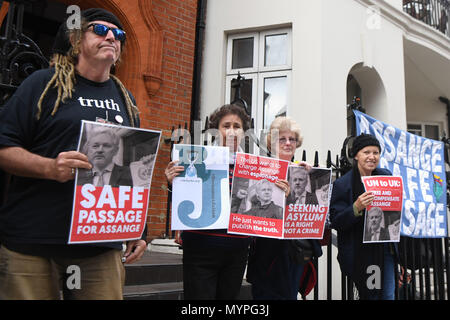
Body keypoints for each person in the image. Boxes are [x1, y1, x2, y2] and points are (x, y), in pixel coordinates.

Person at [0, 8, 146, 300]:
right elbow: (4, 147)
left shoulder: (126, 100)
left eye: (118, 34)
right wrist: (50, 168)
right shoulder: (43, 84)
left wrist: (138, 229)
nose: (110, 37)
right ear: (76, 40)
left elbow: (132, 171)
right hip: (34, 241)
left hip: (98, 247)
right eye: (99, 30)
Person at [165, 103, 252, 300]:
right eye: (226, 125)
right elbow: (182, 198)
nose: (231, 131)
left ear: (244, 132)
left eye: (237, 126)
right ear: (215, 130)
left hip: (237, 251)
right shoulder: (195, 159)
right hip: (201, 248)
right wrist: (173, 182)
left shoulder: (252, 166)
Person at [246, 116, 323, 300]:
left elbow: (315, 215)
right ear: (272, 142)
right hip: (267, 250)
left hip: (294, 252)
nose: (288, 143)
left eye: (292, 139)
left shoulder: (305, 172)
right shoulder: (260, 170)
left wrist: (314, 179)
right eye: (282, 138)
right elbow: (251, 209)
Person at [329, 133, 398, 300]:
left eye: (376, 153)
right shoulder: (343, 184)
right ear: (356, 155)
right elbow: (336, 220)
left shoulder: (386, 177)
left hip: (384, 251)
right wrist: (355, 208)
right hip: (359, 253)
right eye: (366, 152)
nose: (372, 157)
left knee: (388, 295)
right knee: (370, 297)